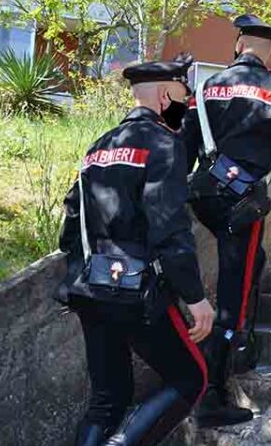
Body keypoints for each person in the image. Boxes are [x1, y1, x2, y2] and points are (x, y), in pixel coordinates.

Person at [55, 55, 215, 446]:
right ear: (164, 98)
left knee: (107, 400)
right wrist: (195, 298)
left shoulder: (98, 147)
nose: (186, 104)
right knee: (190, 377)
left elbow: (71, 226)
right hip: (137, 290)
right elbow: (169, 226)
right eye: (182, 95)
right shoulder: (164, 143)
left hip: (89, 288)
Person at [181, 14, 271, 428]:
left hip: (203, 196)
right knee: (232, 295)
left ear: (239, 43)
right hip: (240, 202)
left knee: (251, 265)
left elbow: (185, 146)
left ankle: (241, 343)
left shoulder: (207, 87)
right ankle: (212, 394)